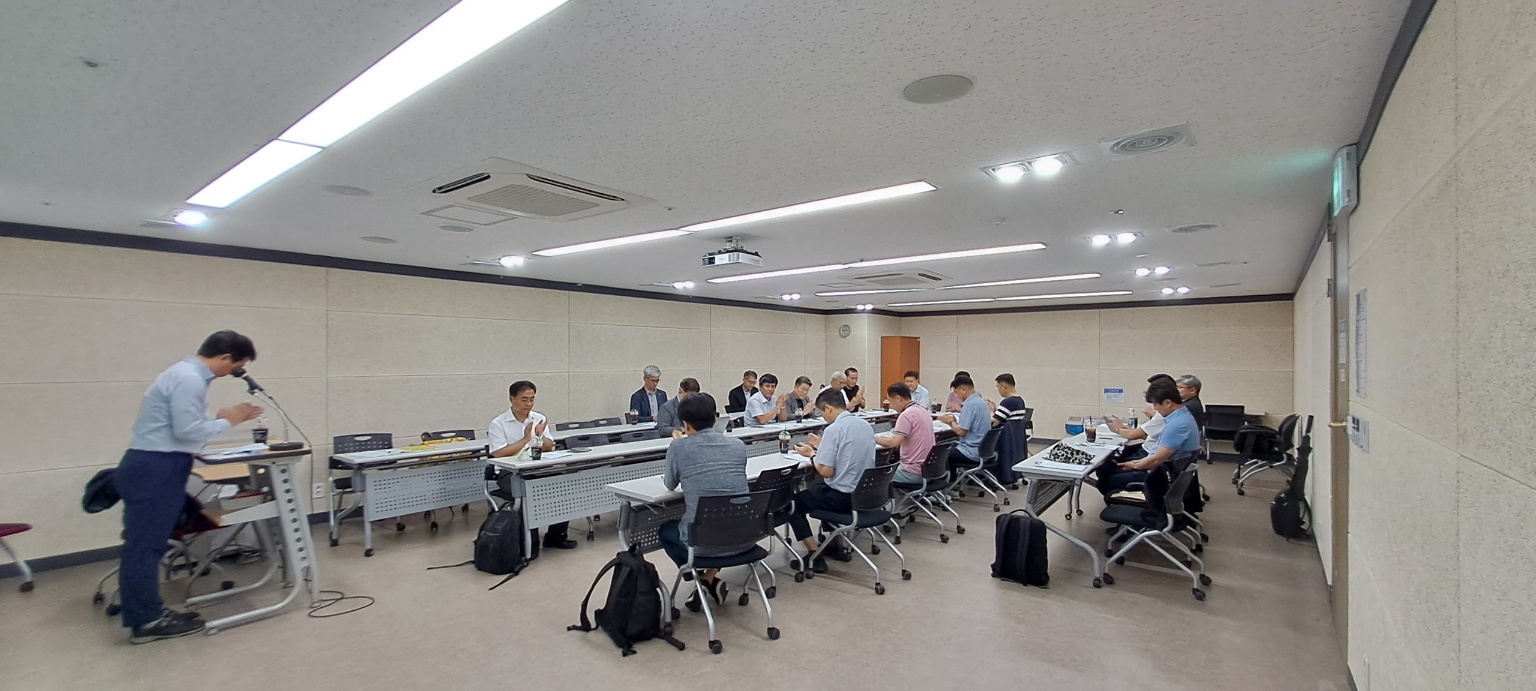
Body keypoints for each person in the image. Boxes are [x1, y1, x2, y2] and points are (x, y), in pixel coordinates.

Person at [117, 330, 264, 643]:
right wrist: (230, 420)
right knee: (146, 546)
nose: (234, 373)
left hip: (155, 464)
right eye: (236, 366)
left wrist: (219, 420)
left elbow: (185, 427)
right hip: (157, 467)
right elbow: (187, 432)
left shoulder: (184, 374)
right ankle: (147, 622)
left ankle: (145, 610)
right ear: (225, 357)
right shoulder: (189, 379)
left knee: (145, 544)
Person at [658, 394, 749, 611]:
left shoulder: (679, 448)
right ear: (715, 419)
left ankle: (700, 581)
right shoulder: (737, 445)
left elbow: (670, 484)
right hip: (745, 536)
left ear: (686, 424)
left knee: (666, 530)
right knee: (723, 520)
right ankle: (708, 579)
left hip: (705, 542)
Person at [786, 388, 876, 572]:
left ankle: (814, 555)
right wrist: (822, 447)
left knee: (791, 504)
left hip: (842, 498)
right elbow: (846, 454)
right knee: (819, 488)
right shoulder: (865, 425)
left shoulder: (833, 429)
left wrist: (811, 454)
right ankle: (834, 544)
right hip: (865, 495)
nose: (823, 417)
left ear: (828, 408)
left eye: (822, 413)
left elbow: (826, 471)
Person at [489, 380, 576, 554]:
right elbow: (498, 453)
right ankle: (530, 543)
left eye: (532, 399)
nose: (529, 404)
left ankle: (555, 536)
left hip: (536, 468)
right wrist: (526, 440)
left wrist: (539, 438)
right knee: (527, 494)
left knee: (563, 486)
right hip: (509, 473)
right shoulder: (498, 423)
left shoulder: (539, 418)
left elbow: (550, 446)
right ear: (512, 399)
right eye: (524, 399)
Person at [1094, 380, 1201, 496]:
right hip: (1164, 469)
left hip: (1159, 477)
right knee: (1110, 469)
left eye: (1156, 404)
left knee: (1105, 482)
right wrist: (1135, 463)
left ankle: (1132, 502)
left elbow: (1156, 459)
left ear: (1168, 403)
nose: (1155, 409)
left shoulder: (1177, 425)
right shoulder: (1183, 416)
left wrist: (1134, 465)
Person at [1107, 373, 1178, 460]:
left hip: (1148, 453)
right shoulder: (1172, 411)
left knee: (1110, 462)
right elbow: (1146, 434)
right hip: (1149, 449)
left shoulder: (1163, 415)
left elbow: (1132, 435)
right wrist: (1124, 428)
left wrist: (1117, 429)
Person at [877, 382, 936, 485]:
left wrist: (873, 438)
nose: (891, 406)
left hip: (913, 472)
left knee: (876, 476)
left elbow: (894, 443)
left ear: (898, 398)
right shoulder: (923, 411)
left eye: (890, 401)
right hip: (930, 470)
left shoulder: (906, 415)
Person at [938, 374, 990, 471]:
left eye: (956, 392)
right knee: (951, 446)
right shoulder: (982, 402)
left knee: (941, 454)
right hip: (984, 451)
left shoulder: (969, 405)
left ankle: (950, 479)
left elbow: (961, 432)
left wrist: (951, 422)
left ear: (963, 389)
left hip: (971, 451)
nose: (956, 396)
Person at [990, 373, 1028, 485]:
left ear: (1004, 386)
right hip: (1016, 439)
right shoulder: (1020, 401)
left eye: (998, 387)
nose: (998, 390)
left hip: (1006, 441)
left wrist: (991, 411)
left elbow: (994, 422)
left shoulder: (1007, 402)